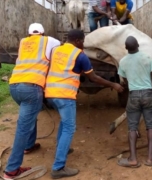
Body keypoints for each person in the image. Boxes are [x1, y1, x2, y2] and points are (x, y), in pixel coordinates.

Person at [45, 29, 124, 178]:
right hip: (65, 95)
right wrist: (113, 85)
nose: (83, 45)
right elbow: (94, 78)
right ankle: (58, 167)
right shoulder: (79, 55)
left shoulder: (56, 51)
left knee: (64, 121)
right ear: (78, 41)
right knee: (69, 127)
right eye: (83, 42)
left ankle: (63, 147)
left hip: (50, 94)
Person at [4, 23, 61, 179]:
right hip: (31, 88)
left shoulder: (23, 42)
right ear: (42, 33)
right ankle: (12, 170)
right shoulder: (50, 41)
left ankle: (29, 145)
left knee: (28, 117)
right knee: (23, 126)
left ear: (29, 34)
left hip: (14, 86)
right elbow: (59, 52)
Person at [117, 36, 152, 167]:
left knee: (132, 127)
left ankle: (133, 159)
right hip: (148, 93)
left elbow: (124, 81)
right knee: (150, 126)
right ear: (138, 45)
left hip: (133, 95)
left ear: (126, 48)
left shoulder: (123, 61)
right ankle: (150, 158)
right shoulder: (147, 58)